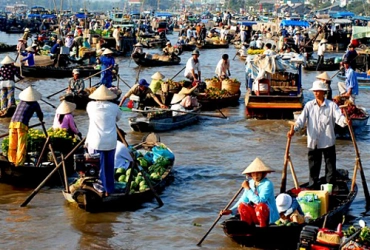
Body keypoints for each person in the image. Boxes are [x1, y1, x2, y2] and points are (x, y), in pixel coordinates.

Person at [288, 80, 348, 189]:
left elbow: (339, 118)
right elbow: (301, 121)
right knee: (313, 167)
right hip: (313, 141)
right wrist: (294, 129)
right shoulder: (309, 106)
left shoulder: (331, 106)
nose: (315, 93)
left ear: (323, 92)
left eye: (318, 91)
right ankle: (313, 187)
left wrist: (345, 121)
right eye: (314, 91)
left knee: (330, 168)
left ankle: (329, 188)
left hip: (328, 141)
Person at [220, 157, 279, 227]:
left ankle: (263, 228)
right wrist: (231, 211)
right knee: (242, 206)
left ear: (263, 174)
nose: (256, 176)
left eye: (258, 174)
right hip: (255, 214)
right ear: (250, 175)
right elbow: (243, 199)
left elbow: (260, 201)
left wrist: (248, 188)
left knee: (260, 206)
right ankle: (248, 227)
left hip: (267, 216)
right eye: (253, 174)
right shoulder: (250, 183)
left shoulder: (267, 184)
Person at [86, 85, 121, 196]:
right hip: (110, 140)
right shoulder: (115, 107)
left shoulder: (90, 106)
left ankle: (99, 189)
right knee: (109, 166)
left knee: (96, 167)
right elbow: (117, 118)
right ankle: (108, 189)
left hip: (95, 141)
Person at [8, 86, 43, 166]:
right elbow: (40, 114)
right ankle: (19, 164)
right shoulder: (35, 104)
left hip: (12, 123)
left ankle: (11, 161)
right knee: (21, 144)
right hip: (22, 125)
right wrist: (41, 120)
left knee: (12, 144)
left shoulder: (21, 102)